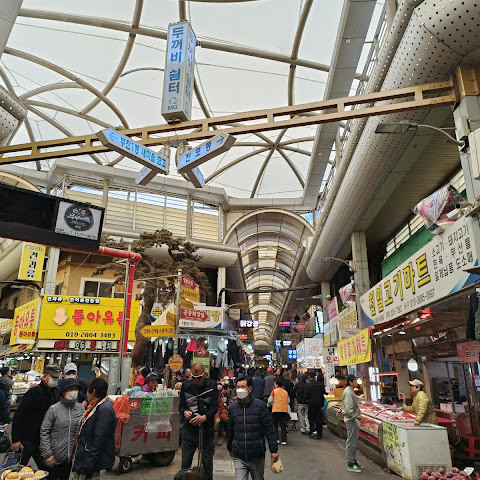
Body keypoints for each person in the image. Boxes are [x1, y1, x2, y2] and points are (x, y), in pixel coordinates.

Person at [227, 376, 278, 480]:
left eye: (243, 387)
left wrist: (274, 450)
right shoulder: (233, 408)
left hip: (256, 455)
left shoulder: (260, 406)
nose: (240, 390)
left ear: (249, 389)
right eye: (238, 387)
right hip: (239, 455)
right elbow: (230, 429)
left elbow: (270, 429)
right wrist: (230, 447)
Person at [11, 364, 61, 469]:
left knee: (45, 469)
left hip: (44, 439)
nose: (55, 380)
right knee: (18, 467)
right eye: (53, 377)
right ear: (45, 376)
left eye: (57, 378)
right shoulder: (33, 393)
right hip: (28, 438)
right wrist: (15, 440)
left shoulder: (56, 393)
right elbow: (19, 415)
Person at [70, 378, 116, 480]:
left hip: (90, 460)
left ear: (93, 391)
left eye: (87, 391)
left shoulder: (104, 409)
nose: (86, 394)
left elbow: (99, 439)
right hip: (86, 456)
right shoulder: (95, 406)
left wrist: (89, 463)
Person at [179, 362, 218, 480]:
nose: (196, 380)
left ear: (204, 374)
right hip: (189, 431)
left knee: (207, 464)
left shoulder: (212, 385)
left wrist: (204, 417)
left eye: (199, 377)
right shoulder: (186, 386)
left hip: (206, 431)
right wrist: (184, 412)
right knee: (185, 464)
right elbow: (181, 406)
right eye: (194, 377)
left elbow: (215, 407)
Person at [40, 378, 85, 480]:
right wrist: (47, 454)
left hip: (73, 460)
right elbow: (44, 431)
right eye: (71, 389)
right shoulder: (54, 409)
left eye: (76, 389)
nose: (74, 392)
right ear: (64, 392)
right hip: (55, 459)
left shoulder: (80, 409)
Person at [342, 374, 363, 473]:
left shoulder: (350, 391)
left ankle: (354, 460)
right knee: (351, 442)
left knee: (353, 442)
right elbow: (349, 409)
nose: (356, 382)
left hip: (353, 419)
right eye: (355, 380)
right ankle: (350, 463)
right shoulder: (348, 392)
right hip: (351, 420)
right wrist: (354, 418)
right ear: (350, 382)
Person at [268, 378, 289, 445]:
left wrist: (268, 405)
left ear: (276, 385)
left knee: (275, 425)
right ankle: (284, 440)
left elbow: (270, 400)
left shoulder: (274, 391)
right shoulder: (285, 392)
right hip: (284, 410)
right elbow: (288, 400)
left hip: (275, 409)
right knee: (283, 425)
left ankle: (276, 439)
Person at [306, 375, 326, 439]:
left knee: (311, 418)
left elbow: (306, 395)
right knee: (319, 419)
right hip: (319, 404)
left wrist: (307, 402)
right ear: (315, 377)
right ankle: (319, 433)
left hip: (311, 404)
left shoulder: (308, 385)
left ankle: (312, 431)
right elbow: (323, 394)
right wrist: (322, 405)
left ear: (310, 377)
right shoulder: (320, 385)